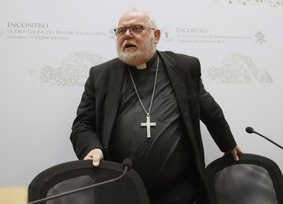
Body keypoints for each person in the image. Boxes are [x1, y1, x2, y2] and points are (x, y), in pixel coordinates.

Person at [70, 8, 242, 204]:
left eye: (136, 28)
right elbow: (82, 124)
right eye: (121, 30)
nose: (127, 35)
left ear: (156, 35)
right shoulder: (101, 75)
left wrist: (228, 144)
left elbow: (209, 110)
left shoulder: (185, 67)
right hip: (119, 187)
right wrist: (91, 147)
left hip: (178, 191)